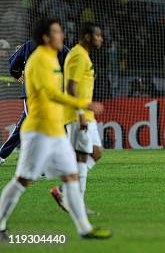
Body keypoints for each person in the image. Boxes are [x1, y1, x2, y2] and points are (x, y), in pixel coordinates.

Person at [0, 17, 111, 240]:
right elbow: (50, 94)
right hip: (39, 130)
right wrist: (82, 105)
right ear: (45, 37)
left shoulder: (52, 58)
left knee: (71, 176)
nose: (62, 36)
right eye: (57, 32)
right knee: (23, 180)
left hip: (55, 130)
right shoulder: (39, 60)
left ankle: (84, 229)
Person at [50, 22, 104, 216]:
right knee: (81, 158)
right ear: (88, 37)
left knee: (96, 152)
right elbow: (71, 87)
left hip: (86, 114)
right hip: (77, 114)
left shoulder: (83, 55)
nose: (101, 39)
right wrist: (80, 113)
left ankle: (65, 191)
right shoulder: (78, 55)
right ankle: (76, 203)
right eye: (98, 36)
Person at [0, 39, 70, 165]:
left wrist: (17, 75)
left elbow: (13, 65)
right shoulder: (59, 47)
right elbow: (71, 64)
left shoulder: (29, 46)